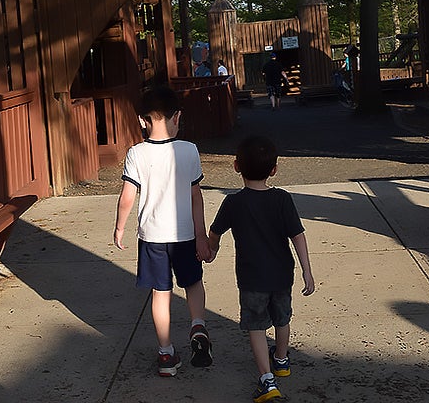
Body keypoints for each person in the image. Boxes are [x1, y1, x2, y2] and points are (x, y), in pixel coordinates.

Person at [206, 135, 315, 402]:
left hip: (252, 277)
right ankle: (281, 360)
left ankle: (267, 380)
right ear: (274, 170)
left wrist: (212, 250)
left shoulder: (233, 203)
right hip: (281, 275)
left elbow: (215, 232)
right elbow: (297, 236)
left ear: (236, 166)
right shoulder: (282, 199)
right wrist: (307, 270)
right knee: (282, 318)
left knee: (256, 326)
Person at [113, 86, 213, 377]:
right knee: (193, 284)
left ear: (142, 121)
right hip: (185, 235)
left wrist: (120, 227)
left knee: (161, 292)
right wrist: (202, 235)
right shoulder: (189, 150)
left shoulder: (136, 153)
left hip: (153, 237)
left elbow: (127, 197)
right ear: (177, 117)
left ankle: (166, 354)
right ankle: (198, 326)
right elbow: (196, 197)